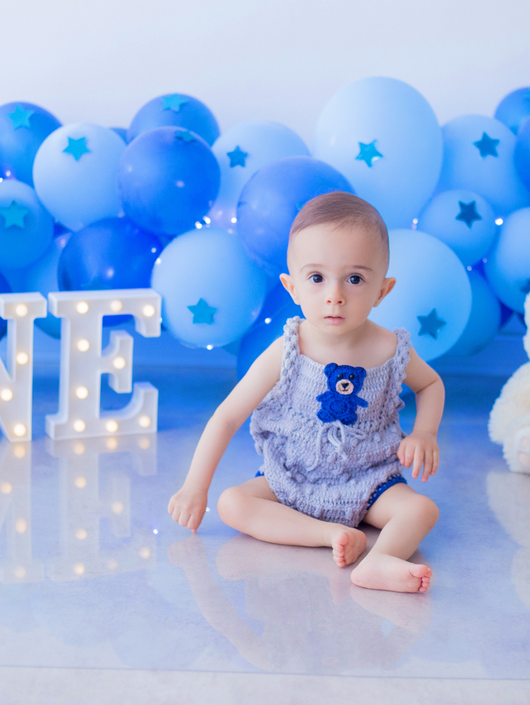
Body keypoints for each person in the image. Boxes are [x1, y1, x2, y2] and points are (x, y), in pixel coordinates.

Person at [168, 191, 444, 593]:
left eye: (355, 279)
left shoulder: (390, 348)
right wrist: (195, 486)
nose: (335, 294)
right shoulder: (289, 348)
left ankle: (381, 560)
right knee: (232, 503)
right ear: (292, 287)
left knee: (421, 509)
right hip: (292, 480)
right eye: (316, 278)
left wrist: (425, 433)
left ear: (382, 291)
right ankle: (326, 534)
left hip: (370, 481)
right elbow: (227, 416)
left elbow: (431, 384)